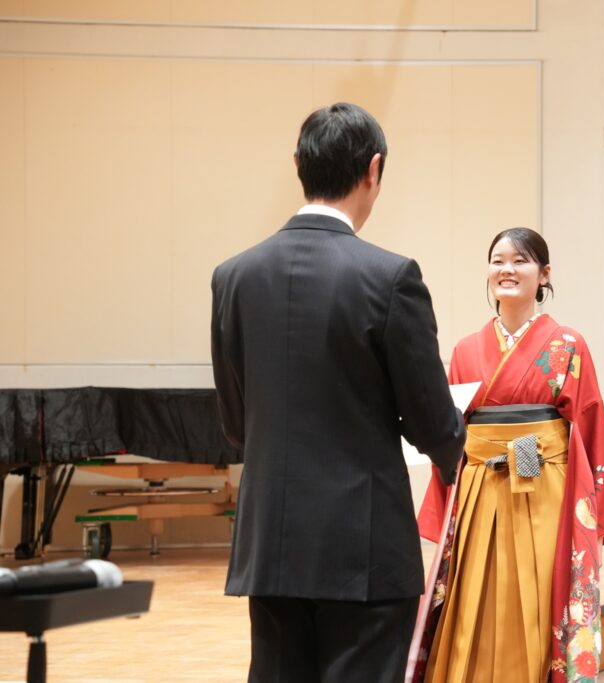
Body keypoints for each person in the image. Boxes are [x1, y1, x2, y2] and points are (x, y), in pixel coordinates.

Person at [210, 102, 466, 683]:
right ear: (373, 169)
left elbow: (234, 423)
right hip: (363, 549)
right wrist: (460, 452)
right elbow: (431, 423)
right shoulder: (390, 276)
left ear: (298, 165)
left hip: (270, 546)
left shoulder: (233, 276)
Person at [411, 228, 604, 683]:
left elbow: (589, 423)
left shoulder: (567, 345)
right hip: (478, 489)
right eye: (498, 260)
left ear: (544, 274)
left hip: (541, 486)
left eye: (520, 260)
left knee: (536, 594)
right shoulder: (465, 349)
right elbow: (451, 431)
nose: (507, 270)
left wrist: (597, 510)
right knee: (474, 595)